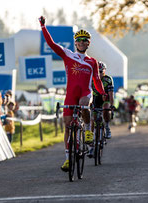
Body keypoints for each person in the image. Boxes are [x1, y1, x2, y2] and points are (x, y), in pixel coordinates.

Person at [39, 16, 107, 172]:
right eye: (79, 39)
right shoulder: (68, 54)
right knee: (68, 128)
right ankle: (68, 158)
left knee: (84, 105)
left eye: (85, 40)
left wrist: (102, 93)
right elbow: (51, 44)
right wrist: (43, 27)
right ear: (75, 42)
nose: (82, 42)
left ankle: (88, 130)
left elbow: (96, 80)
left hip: (85, 92)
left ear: (88, 43)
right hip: (70, 94)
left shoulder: (92, 61)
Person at [91, 61, 114, 139]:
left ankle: (107, 127)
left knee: (106, 108)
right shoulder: (91, 79)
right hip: (95, 98)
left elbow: (111, 94)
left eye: (100, 71)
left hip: (106, 98)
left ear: (104, 71)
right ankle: (92, 139)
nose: (99, 74)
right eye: (97, 71)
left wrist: (112, 105)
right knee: (93, 120)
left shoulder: (108, 79)